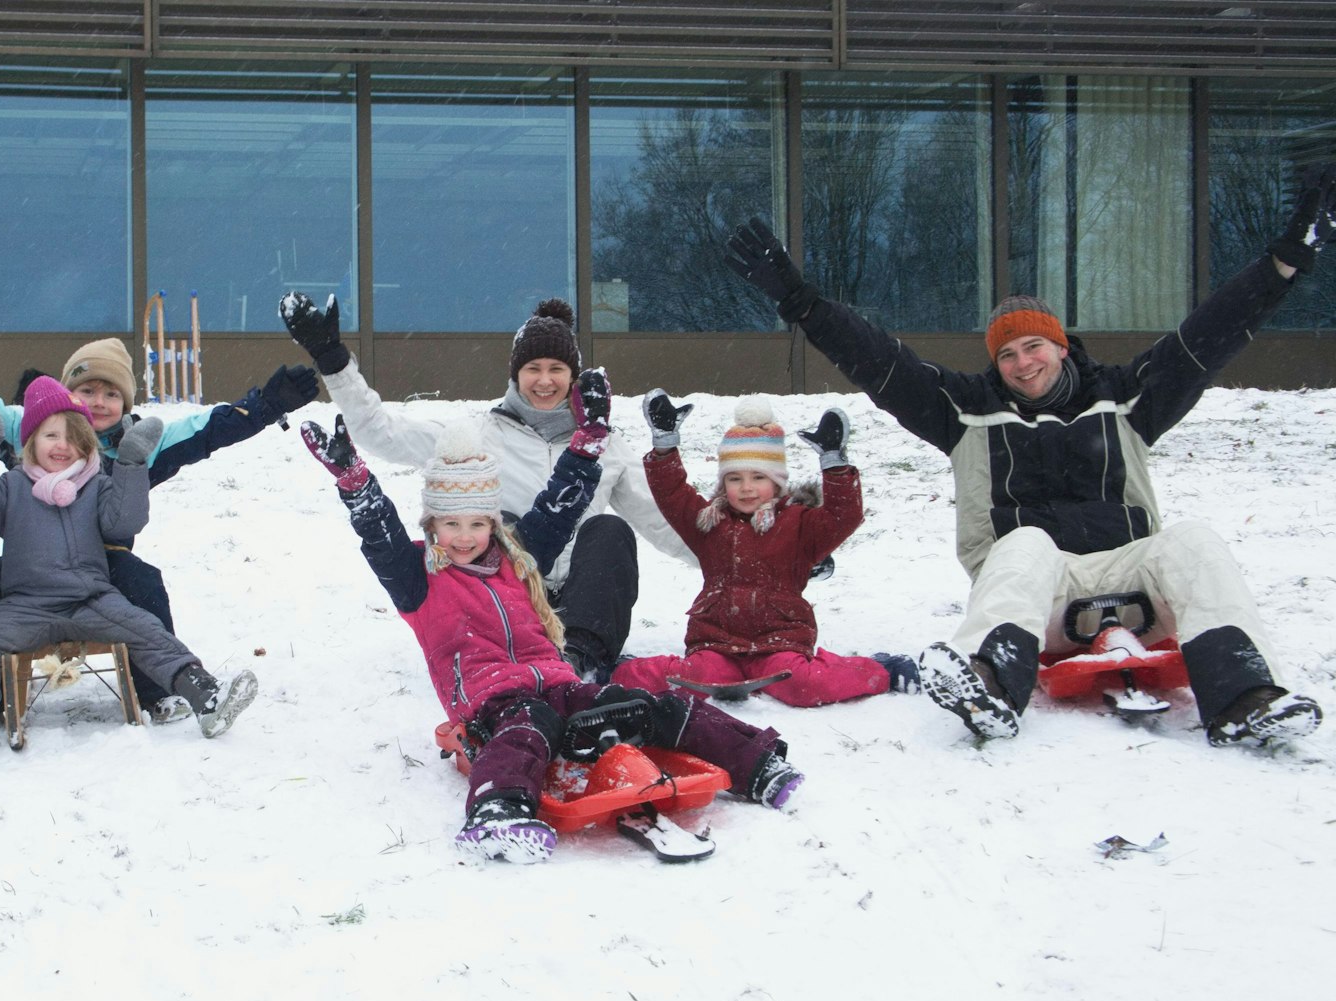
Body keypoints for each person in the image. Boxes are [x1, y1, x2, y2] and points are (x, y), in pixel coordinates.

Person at [721, 162, 1336, 745]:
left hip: (1135, 583)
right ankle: (989, 686)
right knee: (1025, 542)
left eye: (1035, 347)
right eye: (1008, 355)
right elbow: (883, 361)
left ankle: (1246, 699)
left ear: (1062, 347)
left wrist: (1283, 263)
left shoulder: (1125, 400)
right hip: (1034, 601)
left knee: (1194, 540)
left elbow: (1208, 334)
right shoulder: (966, 411)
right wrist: (801, 302)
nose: (1023, 363)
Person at [297, 407, 799, 865]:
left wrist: (586, 444)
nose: (466, 536)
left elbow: (557, 510)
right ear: (432, 526)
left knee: (646, 704)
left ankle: (755, 763)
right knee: (528, 726)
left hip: (560, 685)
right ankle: (497, 813)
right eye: (451, 524)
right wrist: (357, 486)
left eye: (477, 523)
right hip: (494, 702)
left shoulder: (518, 561)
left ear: (493, 523)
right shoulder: (419, 579)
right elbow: (381, 542)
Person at [0, 323, 315, 724]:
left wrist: (265, 405)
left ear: (126, 403)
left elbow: (208, 429)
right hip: (33, 562)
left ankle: (157, 691)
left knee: (142, 588)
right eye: (86, 390)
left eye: (111, 394)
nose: (98, 402)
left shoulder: (138, 442)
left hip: (106, 564)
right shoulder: (34, 428)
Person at [279, 293, 693, 684]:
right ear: (515, 375)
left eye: (556, 369)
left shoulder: (606, 445)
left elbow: (666, 524)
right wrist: (334, 362)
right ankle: (516, 647)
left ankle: (580, 661)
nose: (544, 381)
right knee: (504, 527)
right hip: (507, 599)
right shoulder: (480, 434)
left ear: (573, 376)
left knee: (609, 531)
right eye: (533, 369)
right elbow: (382, 433)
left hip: (583, 606)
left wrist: (741, 561)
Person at [0, 377, 258, 753]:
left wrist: (130, 465)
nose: (63, 446)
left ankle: (206, 698)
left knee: (149, 632)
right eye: (50, 436)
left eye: (73, 438)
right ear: (29, 442)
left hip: (92, 599)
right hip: (24, 604)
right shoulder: (12, 487)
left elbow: (124, 523)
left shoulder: (96, 485)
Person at [611, 394, 915, 707]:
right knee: (695, 680)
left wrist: (834, 466)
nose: (746, 488)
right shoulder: (708, 523)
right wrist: (665, 445)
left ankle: (885, 669)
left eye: (759, 477)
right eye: (735, 478)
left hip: (780, 643)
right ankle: (620, 669)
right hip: (716, 643)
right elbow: (672, 495)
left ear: (778, 482)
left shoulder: (799, 524)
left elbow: (844, 517)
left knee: (803, 685)